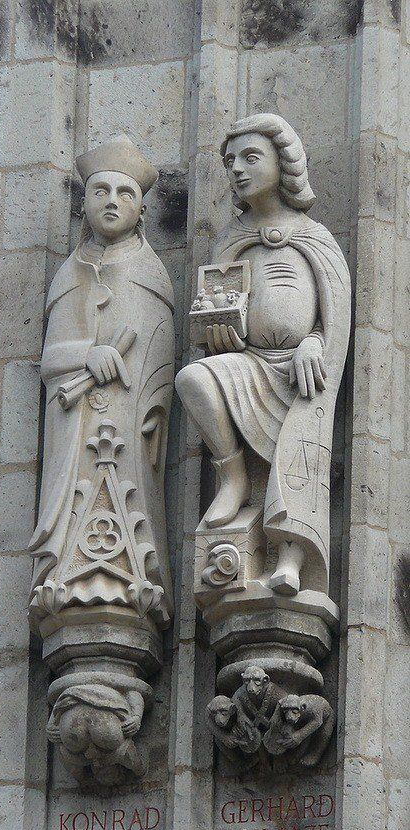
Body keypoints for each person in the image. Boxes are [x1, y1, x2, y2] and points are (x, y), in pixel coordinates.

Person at [176, 114, 351, 595]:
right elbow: (221, 300)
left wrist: (315, 341)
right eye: (231, 161)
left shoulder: (315, 239)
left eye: (251, 158)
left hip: (300, 373)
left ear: (284, 163)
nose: (237, 169)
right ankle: (232, 475)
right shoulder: (232, 241)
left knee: (301, 448)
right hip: (249, 365)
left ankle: (291, 559)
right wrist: (218, 331)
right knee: (193, 379)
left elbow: (335, 313)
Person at [29, 135, 175, 611]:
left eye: (124, 193)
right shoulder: (68, 273)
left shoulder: (150, 273)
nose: (112, 201)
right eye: (101, 191)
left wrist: (144, 406)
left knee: (133, 495)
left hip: (130, 431)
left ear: (141, 210)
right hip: (74, 431)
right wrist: (87, 353)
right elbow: (49, 361)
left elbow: (159, 371)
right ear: (85, 203)